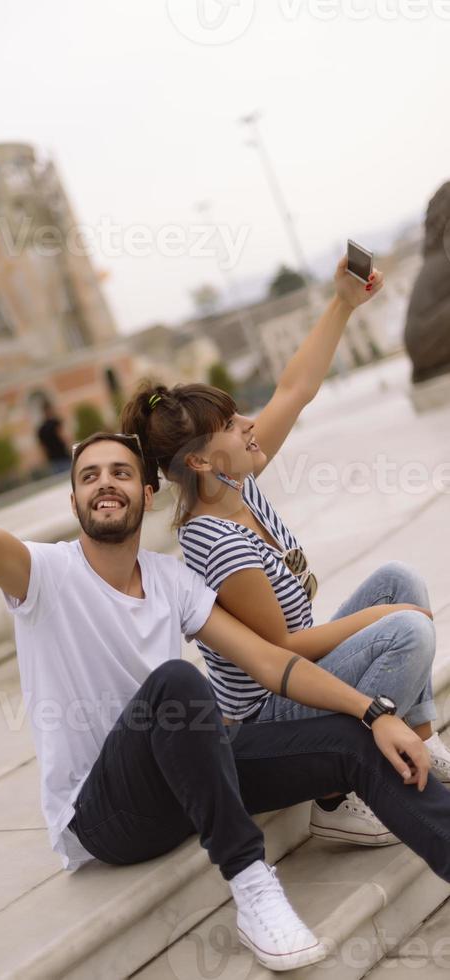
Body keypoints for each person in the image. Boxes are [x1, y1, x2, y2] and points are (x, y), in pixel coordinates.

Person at [0, 378, 450, 974]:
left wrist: (374, 714)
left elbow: (274, 663)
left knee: (351, 738)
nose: (105, 483)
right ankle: (252, 886)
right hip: (109, 814)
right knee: (178, 683)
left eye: (119, 472)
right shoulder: (44, 576)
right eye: (89, 476)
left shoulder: (171, 580)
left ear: (146, 491)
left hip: (189, 779)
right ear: (75, 503)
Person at [121, 256, 450, 848]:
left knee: (398, 579)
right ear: (198, 460)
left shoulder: (236, 483)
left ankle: (421, 740)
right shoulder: (213, 542)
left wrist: (343, 302)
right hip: (274, 710)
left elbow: (294, 389)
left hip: (298, 675)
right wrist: (382, 621)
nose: (248, 424)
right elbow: (284, 651)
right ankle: (333, 796)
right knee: (407, 631)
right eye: (230, 423)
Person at [36, 400, 71, 474]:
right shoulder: (56, 423)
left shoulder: (41, 429)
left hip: (53, 460)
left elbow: (42, 448)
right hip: (63, 456)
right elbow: (64, 437)